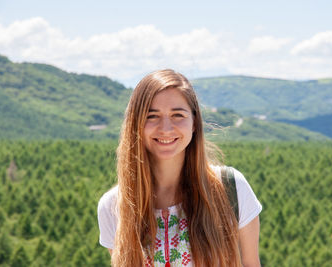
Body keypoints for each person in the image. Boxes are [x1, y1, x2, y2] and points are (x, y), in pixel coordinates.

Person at [97, 69, 262, 267]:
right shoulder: (114, 206)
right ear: (136, 124)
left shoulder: (231, 188)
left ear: (194, 123)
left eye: (177, 115)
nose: (166, 128)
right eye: (152, 116)